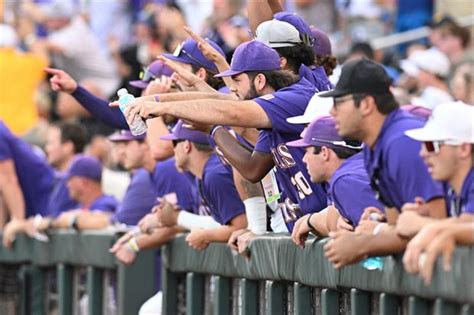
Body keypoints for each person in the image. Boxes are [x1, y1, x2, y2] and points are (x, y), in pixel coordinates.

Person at [123, 40, 328, 232]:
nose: (232, 87)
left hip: (327, 221)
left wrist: (163, 106)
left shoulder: (295, 97)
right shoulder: (271, 119)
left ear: (259, 80)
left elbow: (232, 111)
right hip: (306, 227)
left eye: (237, 79)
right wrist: (212, 129)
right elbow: (252, 169)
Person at [318, 58, 446, 268]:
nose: (332, 112)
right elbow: (400, 225)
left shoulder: (403, 141)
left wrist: (364, 243)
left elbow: (435, 224)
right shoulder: (374, 145)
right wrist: (380, 223)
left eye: (339, 102)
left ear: (367, 104)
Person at [401, 101, 474, 282]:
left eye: (431, 145)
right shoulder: (451, 186)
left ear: (464, 148)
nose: (423, 154)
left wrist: (423, 225)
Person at [287, 116, 384, 246]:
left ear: (324, 152)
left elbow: (381, 237)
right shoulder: (358, 166)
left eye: (307, 151)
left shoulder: (345, 180)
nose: (304, 159)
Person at [160, 120, 247, 250]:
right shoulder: (206, 173)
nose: (173, 150)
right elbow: (223, 223)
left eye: (174, 143)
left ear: (186, 145)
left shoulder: (215, 174)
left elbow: (242, 227)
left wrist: (205, 235)